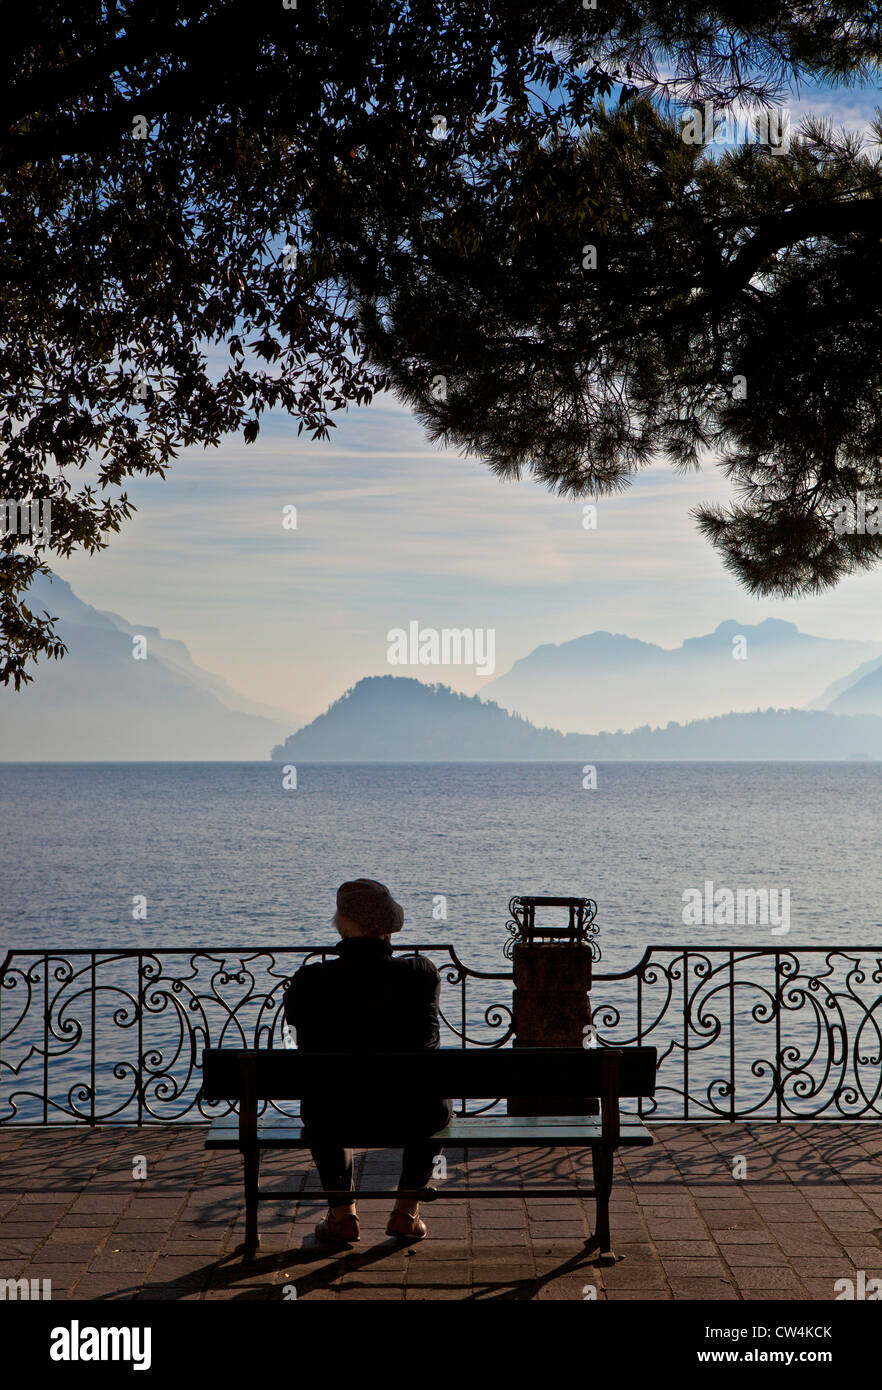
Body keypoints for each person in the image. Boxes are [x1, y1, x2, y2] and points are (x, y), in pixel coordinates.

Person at [283, 878, 452, 1245]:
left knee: (324, 1100)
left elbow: (295, 1023)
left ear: (341, 923)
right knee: (434, 1106)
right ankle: (406, 1212)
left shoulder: (312, 979)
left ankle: (343, 1216)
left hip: (335, 1112)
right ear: (389, 927)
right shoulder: (421, 974)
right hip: (413, 1112)